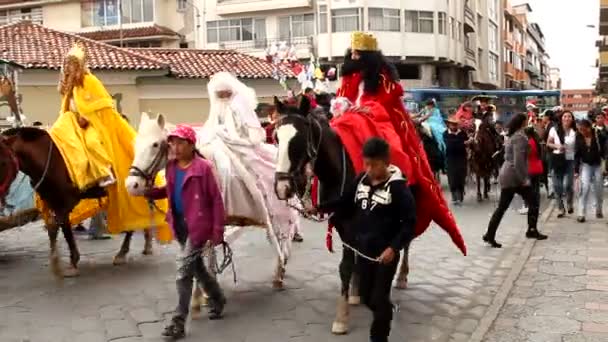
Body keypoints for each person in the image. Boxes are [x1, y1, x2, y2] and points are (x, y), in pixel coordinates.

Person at [335, 32, 464, 253]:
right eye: (352, 52)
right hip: (351, 112)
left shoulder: (382, 75)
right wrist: (342, 105)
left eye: (359, 52)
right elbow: (343, 95)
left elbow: (384, 101)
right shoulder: (349, 74)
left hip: (378, 114)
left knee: (396, 142)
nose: (354, 55)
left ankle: (398, 178)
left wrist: (366, 108)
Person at [50, 43, 168, 235]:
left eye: (73, 64)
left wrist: (86, 117)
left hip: (91, 125)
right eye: (67, 65)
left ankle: (104, 172)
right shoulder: (69, 87)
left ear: (79, 66)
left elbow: (104, 104)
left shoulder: (90, 81)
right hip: (71, 124)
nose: (69, 68)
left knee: (92, 143)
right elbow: (67, 108)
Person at [314, 137, 416, 342]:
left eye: (374, 165)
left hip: (385, 254)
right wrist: (319, 207)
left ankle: (378, 337)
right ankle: (386, 312)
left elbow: (409, 223)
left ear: (386, 162)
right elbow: (345, 202)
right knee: (368, 297)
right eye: (366, 163)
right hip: (363, 251)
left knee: (379, 297)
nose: (369, 169)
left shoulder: (398, 189)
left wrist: (394, 248)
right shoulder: (361, 180)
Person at [198, 72, 301, 247]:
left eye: (226, 94)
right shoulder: (217, 109)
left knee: (260, 172)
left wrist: (236, 139)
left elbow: (255, 135)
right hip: (220, 144)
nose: (223, 98)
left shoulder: (241, 107)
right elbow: (210, 127)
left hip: (242, 146)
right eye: (219, 95)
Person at [146, 125, 226, 339]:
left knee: (183, 271)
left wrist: (218, 229)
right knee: (196, 267)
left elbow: (216, 200)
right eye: (173, 142)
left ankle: (178, 321)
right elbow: (169, 190)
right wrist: (150, 193)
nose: (176, 147)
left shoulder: (203, 168)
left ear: (192, 145)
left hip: (198, 226)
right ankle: (218, 298)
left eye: (181, 142)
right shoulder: (171, 168)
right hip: (179, 225)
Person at [483, 113, 548, 248]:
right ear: (523, 122)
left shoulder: (514, 135)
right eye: (526, 121)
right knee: (532, 202)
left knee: (506, 207)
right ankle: (531, 230)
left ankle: (490, 234)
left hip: (509, 174)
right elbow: (518, 161)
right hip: (513, 176)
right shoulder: (519, 137)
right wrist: (524, 178)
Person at [574, 119, 607, 222]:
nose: (581, 131)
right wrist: (576, 171)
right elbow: (577, 154)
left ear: (588, 128)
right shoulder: (578, 137)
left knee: (598, 188)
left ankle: (599, 209)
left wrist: (605, 166)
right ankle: (581, 213)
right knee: (584, 188)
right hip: (586, 165)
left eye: (583, 129)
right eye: (579, 129)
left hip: (598, 165)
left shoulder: (598, 135)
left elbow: (605, 151)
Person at [547, 111, 577, 218]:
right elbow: (548, 143)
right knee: (557, 186)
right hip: (557, 159)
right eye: (565, 116)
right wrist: (557, 146)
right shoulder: (554, 129)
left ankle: (569, 203)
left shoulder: (575, 131)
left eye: (569, 116)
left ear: (572, 119)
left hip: (570, 160)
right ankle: (560, 208)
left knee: (568, 184)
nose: (567, 118)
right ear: (561, 118)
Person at [517, 126, 544, 215]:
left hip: (530, 168)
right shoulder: (536, 141)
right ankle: (536, 208)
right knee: (536, 190)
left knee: (527, 189)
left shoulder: (529, 143)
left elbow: (525, 155)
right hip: (538, 167)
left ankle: (528, 207)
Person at [444, 117, 470, 205]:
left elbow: (466, 144)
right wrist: (463, 143)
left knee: (461, 176)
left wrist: (468, 142)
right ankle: (454, 195)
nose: (453, 126)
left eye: (455, 124)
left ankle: (460, 194)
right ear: (449, 124)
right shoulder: (445, 134)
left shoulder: (462, 133)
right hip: (450, 158)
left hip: (462, 158)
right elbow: (450, 146)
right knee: (452, 177)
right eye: (452, 124)